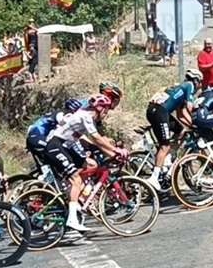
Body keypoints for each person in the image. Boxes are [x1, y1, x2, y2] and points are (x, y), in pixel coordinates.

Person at [44, 95, 126, 231]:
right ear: (100, 108)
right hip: (55, 147)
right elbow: (97, 139)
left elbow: (97, 141)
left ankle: (74, 197)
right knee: (76, 180)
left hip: (65, 147)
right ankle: (72, 219)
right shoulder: (85, 116)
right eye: (106, 110)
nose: (106, 113)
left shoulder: (87, 116)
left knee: (92, 165)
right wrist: (116, 151)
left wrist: (113, 153)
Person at [144, 70, 201, 192]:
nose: (199, 87)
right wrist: (198, 116)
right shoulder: (189, 85)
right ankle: (154, 178)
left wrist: (192, 125)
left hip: (155, 110)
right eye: (199, 83)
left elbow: (181, 116)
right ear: (196, 81)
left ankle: (168, 157)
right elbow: (190, 107)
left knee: (180, 131)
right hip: (160, 112)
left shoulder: (179, 91)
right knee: (165, 145)